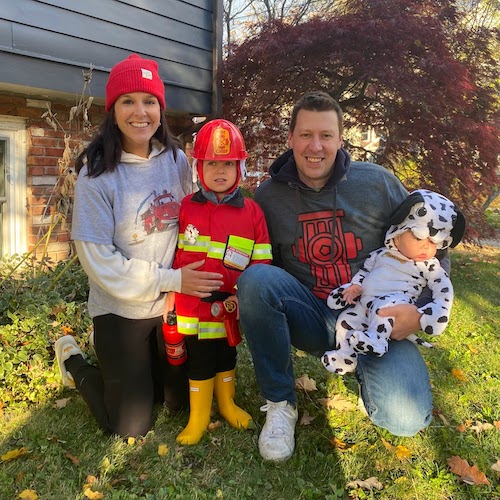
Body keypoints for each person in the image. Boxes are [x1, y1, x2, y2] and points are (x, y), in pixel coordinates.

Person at [236, 91, 451, 461]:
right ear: (291, 139)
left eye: (326, 135)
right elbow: (260, 261)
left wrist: (419, 312)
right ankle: (279, 403)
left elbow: (434, 241)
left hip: (376, 317)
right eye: (305, 135)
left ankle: (367, 368)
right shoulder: (269, 196)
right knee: (256, 280)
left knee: (405, 419)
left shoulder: (377, 183)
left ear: (340, 139)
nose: (315, 146)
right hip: (313, 314)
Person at [54, 54, 223, 438]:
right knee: (131, 426)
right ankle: (75, 360)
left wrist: (184, 285)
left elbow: (192, 228)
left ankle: (136, 367)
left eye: (149, 101)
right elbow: (99, 262)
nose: (140, 112)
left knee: (177, 403)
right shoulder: (96, 174)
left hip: (169, 304)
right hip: (120, 308)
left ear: (161, 109)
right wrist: (173, 280)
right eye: (128, 101)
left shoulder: (177, 160)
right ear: (112, 110)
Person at [170, 119, 272, 445]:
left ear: (239, 167)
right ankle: (198, 416)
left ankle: (227, 403)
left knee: (227, 356)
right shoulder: (186, 207)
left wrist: (246, 296)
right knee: (200, 358)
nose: (220, 170)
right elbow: (173, 253)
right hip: (193, 304)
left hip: (230, 304)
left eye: (228, 163)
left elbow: (262, 258)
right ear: (199, 167)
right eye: (212, 163)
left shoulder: (253, 212)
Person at [322, 189, 465, 375]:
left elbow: (444, 290)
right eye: (419, 237)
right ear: (397, 234)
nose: (426, 246)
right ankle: (345, 355)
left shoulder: (428, 266)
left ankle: (377, 342)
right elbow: (365, 272)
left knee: (384, 310)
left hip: (394, 307)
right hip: (363, 306)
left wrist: (431, 315)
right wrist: (354, 287)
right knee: (345, 321)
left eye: (434, 242)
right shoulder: (381, 254)